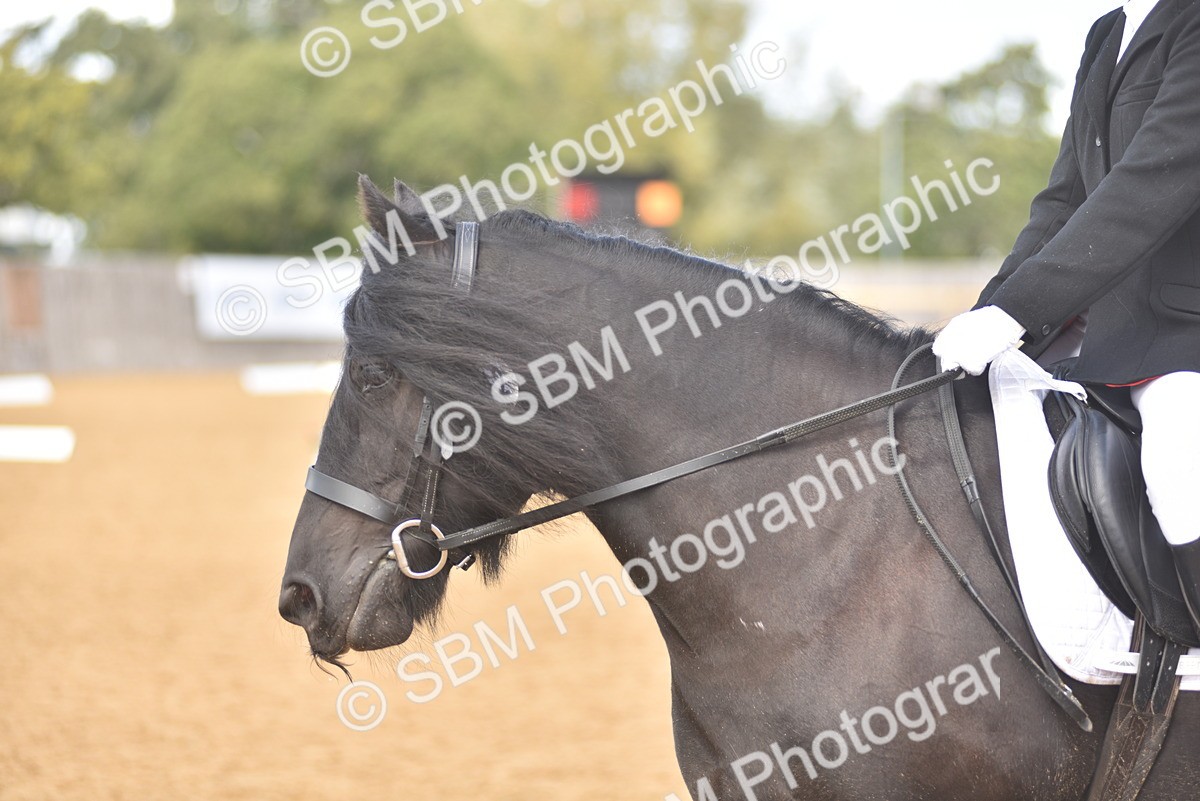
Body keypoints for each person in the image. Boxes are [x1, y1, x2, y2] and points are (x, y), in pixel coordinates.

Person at [932, 0, 1200, 630]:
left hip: (1185, 338)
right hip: (1112, 338)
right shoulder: (1107, 32)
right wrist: (993, 311)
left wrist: (1020, 311)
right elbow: (1064, 200)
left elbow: (1147, 186)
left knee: (1180, 466)